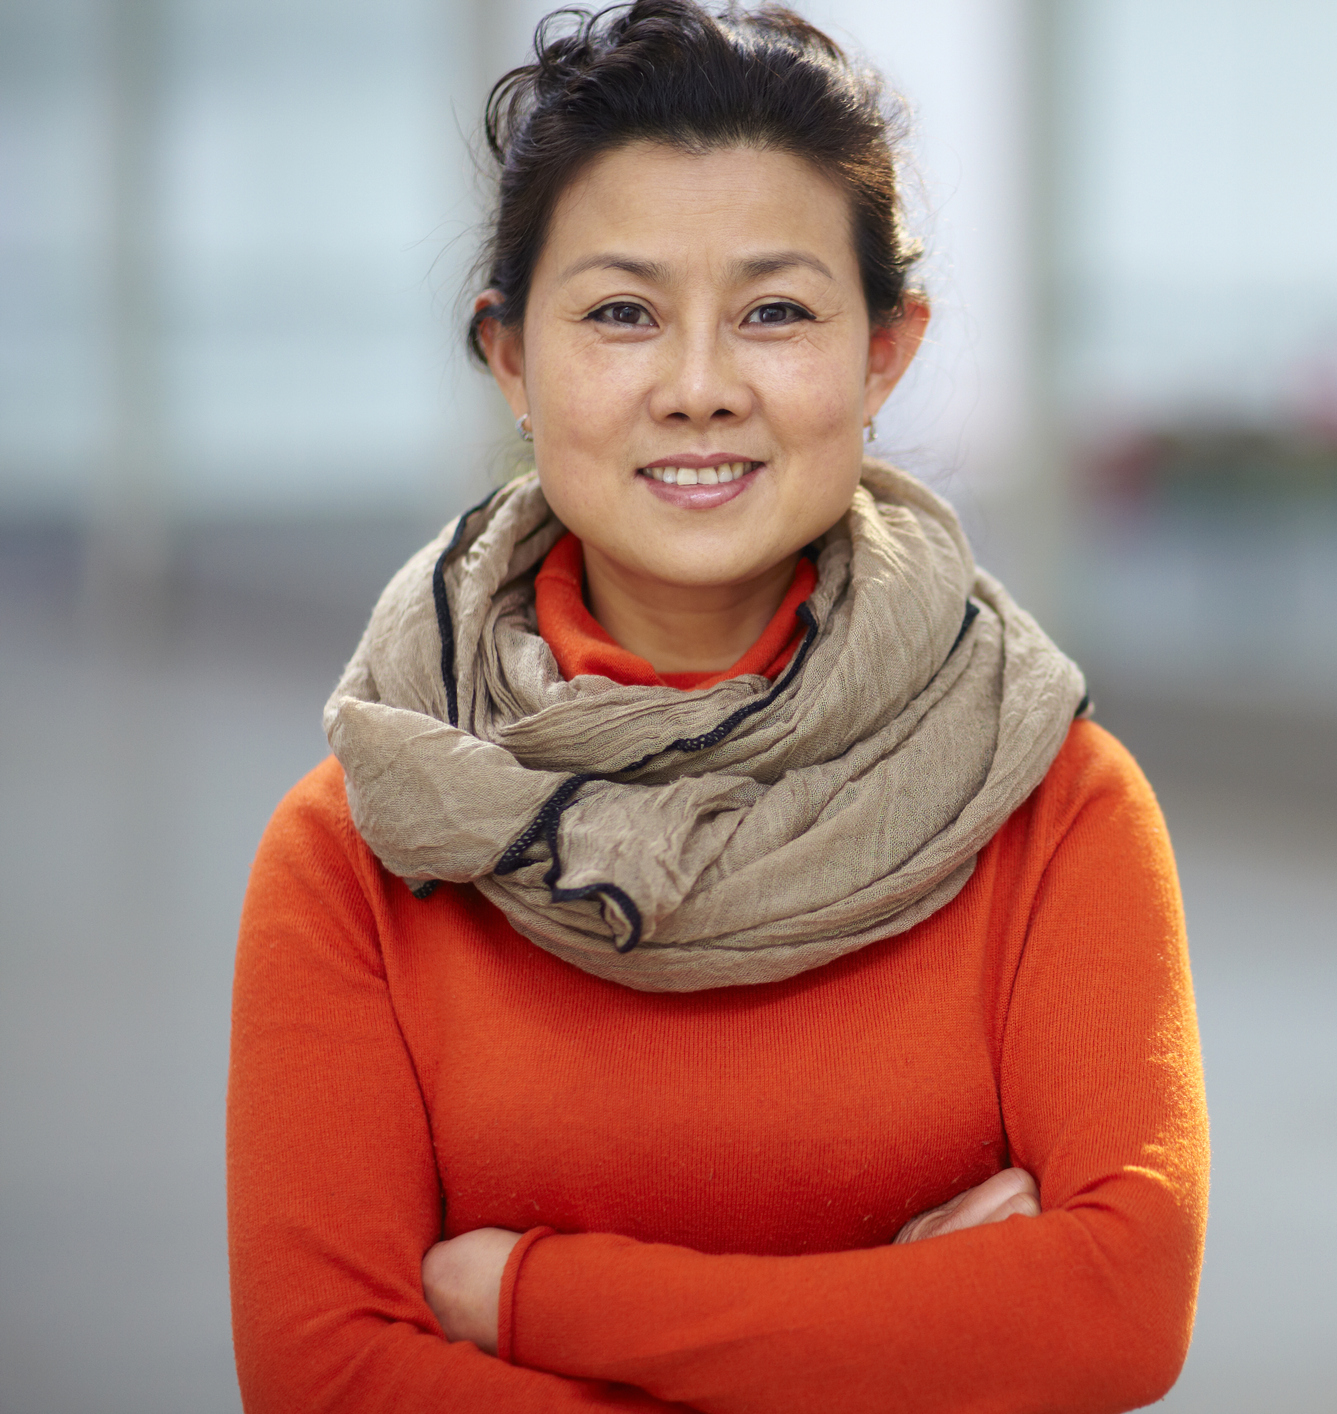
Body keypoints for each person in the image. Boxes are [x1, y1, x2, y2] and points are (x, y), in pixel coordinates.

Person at [223, 4, 1208, 1410]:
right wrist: (915, 1335)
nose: (697, 388)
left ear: (883, 351)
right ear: (510, 357)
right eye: (621, 313)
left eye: (775, 313)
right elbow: (324, 1377)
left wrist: (524, 1297)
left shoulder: (1046, 800)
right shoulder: (363, 846)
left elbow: (1113, 1309)